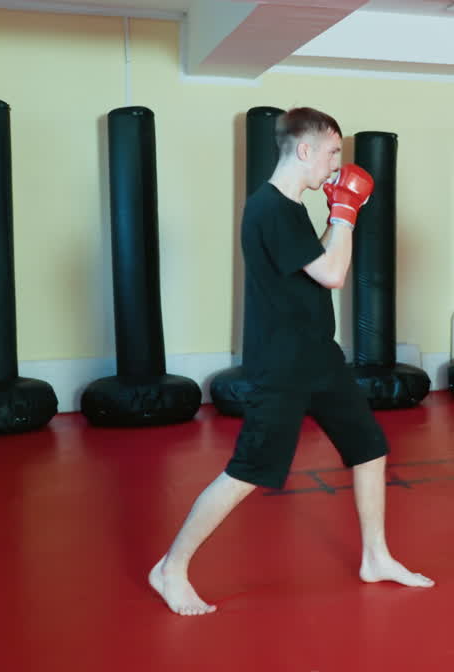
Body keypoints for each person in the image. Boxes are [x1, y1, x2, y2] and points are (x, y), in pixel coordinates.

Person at [149, 107, 433, 616]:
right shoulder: (269, 209)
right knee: (248, 470)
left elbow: (316, 262)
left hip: (318, 355)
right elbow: (333, 274)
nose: (337, 165)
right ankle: (170, 569)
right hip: (283, 363)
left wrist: (335, 221)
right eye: (332, 153)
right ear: (305, 150)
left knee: (369, 447)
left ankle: (376, 556)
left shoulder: (289, 208)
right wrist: (345, 212)